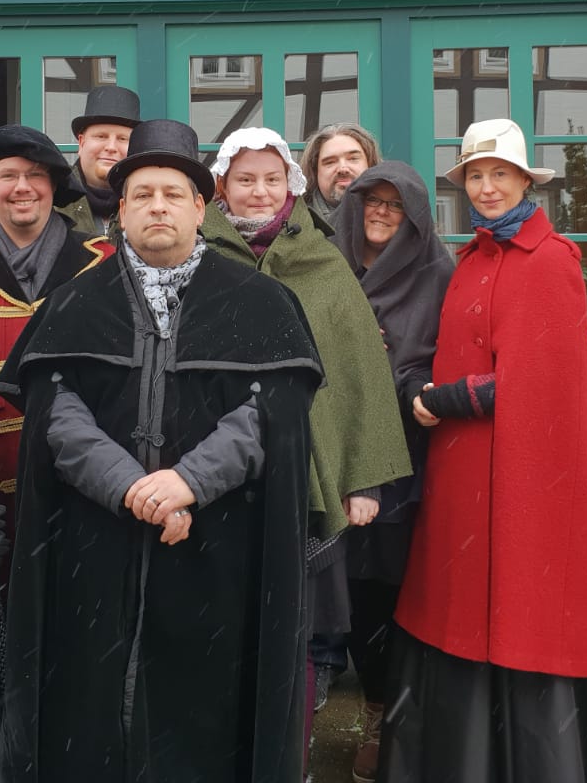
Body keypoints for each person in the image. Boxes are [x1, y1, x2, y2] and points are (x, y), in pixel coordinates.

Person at [0, 119, 320, 783]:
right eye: (142, 195)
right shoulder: (73, 303)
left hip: (219, 551)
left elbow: (268, 414)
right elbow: (57, 413)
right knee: (89, 709)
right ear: (121, 209)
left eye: (173, 194)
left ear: (201, 207)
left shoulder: (260, 304)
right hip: (95, 550)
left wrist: (187, 483)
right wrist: (131, 487)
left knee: (208, 716)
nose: (158, 207)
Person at [382, 118, 587, 783]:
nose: (486, 187)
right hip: (463, 475)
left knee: (520, 614)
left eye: (498, 175)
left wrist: (442, 399)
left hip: (521, 483)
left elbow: (538, 383)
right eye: (475, 176)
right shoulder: (472, 259)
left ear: (522, 181)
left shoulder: (552, 260)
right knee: (457, 616)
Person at [201, 128, 410, 731]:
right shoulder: (195, 254)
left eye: (271, 179)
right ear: (222, 187)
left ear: (290, 184)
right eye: (245, 180)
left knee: (306, 600)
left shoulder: (322, 260)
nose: (259, 192)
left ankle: (295, 722)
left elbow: (359, 372)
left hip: (307, 456)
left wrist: (363, 478)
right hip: (216, 458)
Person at [0, 125, 112, 559]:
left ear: (53, 186)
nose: (22, 188)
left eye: (35, 175)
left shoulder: (106, 264)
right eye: (9, 176)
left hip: (91, 487)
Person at [328, 161, 454, 783]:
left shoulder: (438, 272)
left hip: (409, 456)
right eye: (370, 201)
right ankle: (376, 702)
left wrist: (400, 373)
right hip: (337, 453)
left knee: (397, 588)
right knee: (348, 595)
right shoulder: (327, 265)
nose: (379, 212)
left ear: (414, 214)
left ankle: (402, 721)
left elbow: (448, 355)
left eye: (393, 204)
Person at [56, 83, 141, 235]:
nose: (111, 147)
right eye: (101, 136)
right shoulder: (53, 199)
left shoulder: (150, 203)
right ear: (82, 143)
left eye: (122, 139)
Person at [299, 122, 381, 224]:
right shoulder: (294, 226)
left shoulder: (396, 220)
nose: (343, 169)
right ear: (315, 171)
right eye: (330, 162)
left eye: (353, 158)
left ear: (370, 164)